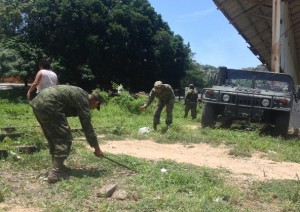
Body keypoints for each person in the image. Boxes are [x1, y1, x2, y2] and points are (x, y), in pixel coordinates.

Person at [30, 85, 104, 183]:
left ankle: (58, 166)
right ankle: (55, 173)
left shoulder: (80, 92)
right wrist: (97, 148)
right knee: (64, 137)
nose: (94, 108)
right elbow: (87, 127)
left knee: (53, 136)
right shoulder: (84, 100)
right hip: (51, 103)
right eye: (96, 106)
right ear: (96, 101)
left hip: (37, 103)